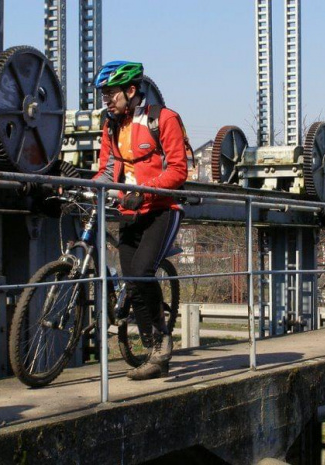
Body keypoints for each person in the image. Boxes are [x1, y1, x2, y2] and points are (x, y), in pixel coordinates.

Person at [92, 61, 188, 380]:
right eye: (103, 94)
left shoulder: (164, 119)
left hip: (162, 209)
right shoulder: (110, 125)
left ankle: (162, 343)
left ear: (131, 91)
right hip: (129, 212)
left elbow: (178, 170)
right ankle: (152, 350)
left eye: (111, 93)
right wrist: (79, 187)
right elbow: (107, 170)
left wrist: (145, 191)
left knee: (144, 272)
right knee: (130, 279)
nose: (106, 98)